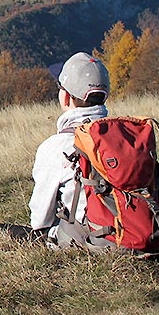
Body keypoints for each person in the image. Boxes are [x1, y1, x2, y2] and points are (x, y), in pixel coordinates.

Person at [29, 52, 110, 245]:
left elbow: (40, 221)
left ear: (66, 97)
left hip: (93, 238)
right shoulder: (126, 136)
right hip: (135, 229)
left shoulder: (56, 146)